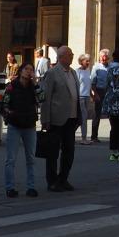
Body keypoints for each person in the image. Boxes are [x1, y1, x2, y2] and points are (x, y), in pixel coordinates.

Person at [40, 46, 79, 192]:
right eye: (70, 54)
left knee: (69, 151)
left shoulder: (73, 72)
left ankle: (63, 179)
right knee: (52, 152)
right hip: (56, 119)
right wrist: (45, 120)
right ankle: (52, 181)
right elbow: (46, 97)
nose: (72, 56)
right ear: (61, 57)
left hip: (72, 118)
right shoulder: (52, 73)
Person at [0, 61, 40, 198]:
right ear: (21, 71)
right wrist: (8, 113)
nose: (29, 72)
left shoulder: (33, 87)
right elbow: (3, 103)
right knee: (11, 158)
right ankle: (10, 187)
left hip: (30, 125)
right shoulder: (12, 86)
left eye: (31, 69)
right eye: (26, 69)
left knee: (31, 158)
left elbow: (43, 98)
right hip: (15, 125)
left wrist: (36, 84)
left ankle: (31, 187)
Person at [89, 49, 112, 144]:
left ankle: (114, 135)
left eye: (105, 58)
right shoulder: (96, 67)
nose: (103, 60)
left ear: (108, 58)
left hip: (109, 91)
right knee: (97, 114)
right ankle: (94, 136)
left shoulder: (111, 67)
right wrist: (95, 94)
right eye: (102, 58)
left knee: (111, 114)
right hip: (100, 91)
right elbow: (93, 82)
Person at [75, 54, 97, 143]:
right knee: (83, 117)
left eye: (89, 61)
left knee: (82, 118)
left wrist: (92, 95)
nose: (88, 63)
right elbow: (75, 85)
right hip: (80, 97)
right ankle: (83, 138)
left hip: (87, 97)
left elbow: (89, 84)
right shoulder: (77, 71)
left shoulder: (88, 71)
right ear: (81, 61)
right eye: (86, 61)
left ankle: (68, 134)